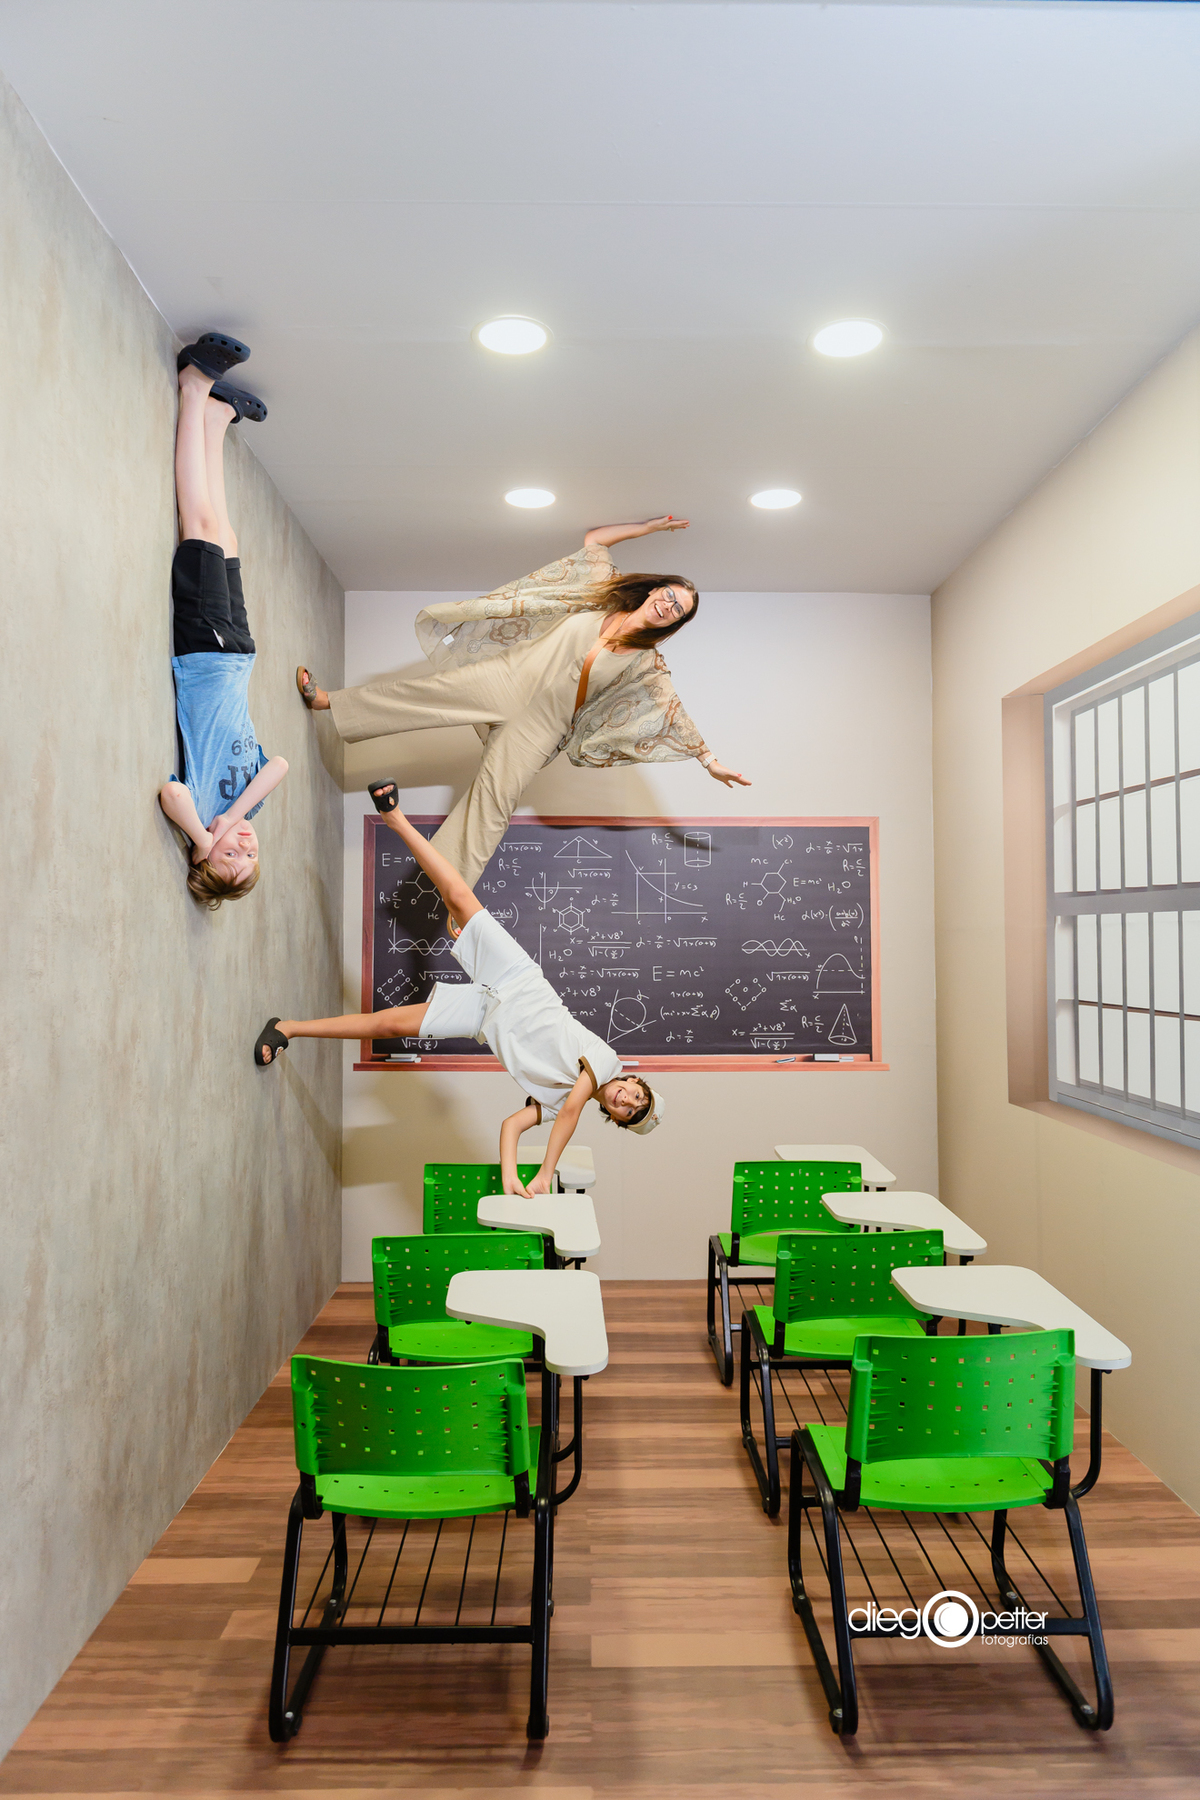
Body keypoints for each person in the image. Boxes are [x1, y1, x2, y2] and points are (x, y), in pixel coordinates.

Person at [295, 518, 750, 889]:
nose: (668, 606)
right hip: (506, 680)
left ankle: (454, 891)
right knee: (423, 695)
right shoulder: (601, 594)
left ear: (677, 623)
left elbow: (674, 713)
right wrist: (648, 527)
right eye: (669, 596)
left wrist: (709, 761)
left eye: (678, 610)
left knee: (496, 800)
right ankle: (329, 703)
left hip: (542, 725)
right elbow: (594, 539)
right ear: (654, 590)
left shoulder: (648, 665)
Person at [253, 784, 664, 1196]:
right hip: (517, 980)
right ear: (634, 1081)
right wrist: (543, 1172)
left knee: (391, 1025)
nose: (626, 1100)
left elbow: (512, 1126)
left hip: (484, 1017)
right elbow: (572, 1111)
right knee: (458, 896)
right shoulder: (606, 1061)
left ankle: (287, 1028)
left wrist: (510, 1178)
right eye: (636, 1096)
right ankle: (395, 818)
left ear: (617, 1119)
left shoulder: (561, 1103)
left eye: (629, 1112)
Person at [158, 336, 288, 907]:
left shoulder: (198, 805)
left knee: (201, 522)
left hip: (203, 655)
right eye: (251, 854)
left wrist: (201, 835)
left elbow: (169, 792)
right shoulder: (245, 804)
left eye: (229, 855)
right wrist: (234, 818)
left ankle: (193, 387)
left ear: (203, 852)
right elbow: (279, 764)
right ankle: (215, 421)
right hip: (236, 653)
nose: (243, 843)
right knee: (227, 538)